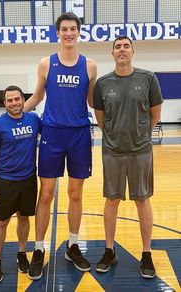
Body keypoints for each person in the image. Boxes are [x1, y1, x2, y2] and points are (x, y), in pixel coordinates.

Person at [24, 12, 97, 280]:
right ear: (58, 33)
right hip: (52, 134)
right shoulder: (46, 64)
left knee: (76, 194)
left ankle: (73, 245)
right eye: (64, 29)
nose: (68, 33)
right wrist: (17, 113)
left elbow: (92, 102)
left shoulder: (90, 66)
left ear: (79, 32)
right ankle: (39, 248)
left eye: (73, 29)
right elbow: (37, 96)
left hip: (78, 135)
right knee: (46, 194)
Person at [93, 35, 163, 278]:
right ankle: (109, 250)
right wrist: (114, 135)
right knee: (111, 200)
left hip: (140, 150)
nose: (122, 50)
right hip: (112, 151)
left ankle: (146, 254)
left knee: (142, 200)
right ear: (112, 54)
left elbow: (154, 114)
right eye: (117, 47)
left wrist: (140, 134)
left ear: (133, 51)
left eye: (126, 46)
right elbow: (100, 118)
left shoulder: (148, 78)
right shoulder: (103, 83)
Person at [0, 85, 41, 282]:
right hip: (6, 181)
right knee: (2, 221)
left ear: (23, 100)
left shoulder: (34, 120)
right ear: (5, 103)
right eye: (10, 100)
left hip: (29, 180)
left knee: (24, 218)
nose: (14, 103)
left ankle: (21, 253)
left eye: (17, 99)